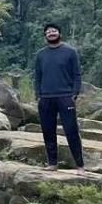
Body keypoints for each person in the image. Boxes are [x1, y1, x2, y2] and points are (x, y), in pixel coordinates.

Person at [33, 23, 85, 171]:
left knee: (71, 131)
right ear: (45, 36)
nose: (51, 33)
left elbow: (77, 74)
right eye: (48, 32)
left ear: (59, 34)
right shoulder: (41, 55)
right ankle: (52, 163)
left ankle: (80, 165)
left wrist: (74, 94)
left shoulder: (70, 52)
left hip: (65, 97)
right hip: (46, 98)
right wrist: (38, 95)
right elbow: (37, 76)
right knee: (48, 131)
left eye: (54, 31)